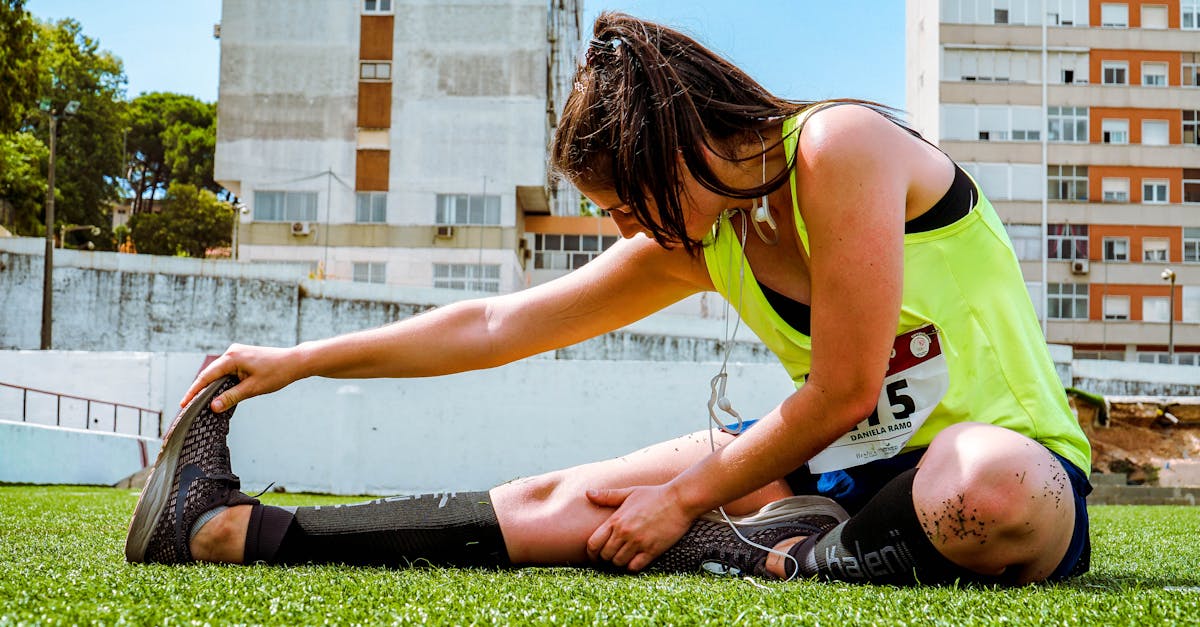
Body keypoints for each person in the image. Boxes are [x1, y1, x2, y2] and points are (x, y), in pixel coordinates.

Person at [125, 12, 1092, 586]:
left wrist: (682, 500)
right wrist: (300, 361)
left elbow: (841, 389)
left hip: (1004, 470)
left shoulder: (840, 148)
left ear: (679, 146)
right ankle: (232, 530)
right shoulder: (700, 236)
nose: (631, 231)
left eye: (629, 201)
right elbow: (498, 323)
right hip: (838, 473)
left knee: (981, 488)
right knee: (575, 502)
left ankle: (791, 553)